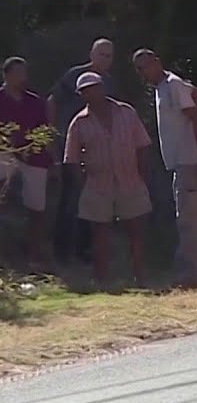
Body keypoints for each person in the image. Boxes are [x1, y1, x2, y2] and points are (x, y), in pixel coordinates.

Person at [133, 49, 197, 287]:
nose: (143, 72)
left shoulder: (173, 85)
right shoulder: (165, 87)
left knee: (187, 221)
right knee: (189, 218)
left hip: (189, 160)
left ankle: (187, 275)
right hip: (180, 160)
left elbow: (196, 120)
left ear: (156, 62)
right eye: (139, 69)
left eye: (145, 65)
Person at [63, 72, 153, 286]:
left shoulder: (126, 112)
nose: (91, 93)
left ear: (102, 88)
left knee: (136, 230)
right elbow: (72, 158)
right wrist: (83, 183)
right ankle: (102, 279)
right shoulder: (79, 122)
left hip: (130, 179)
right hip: (97, 183)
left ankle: (140, 276)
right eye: (86, 91)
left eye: (94, 87)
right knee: (100, 234)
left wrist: (142, 174)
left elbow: (142, 146)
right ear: (81, 95)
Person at [49, 38, 117, 265]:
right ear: (92, 54)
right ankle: (61, 251)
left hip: (97, 148)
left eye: (109, 55)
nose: (105, 59)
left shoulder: (108, 83)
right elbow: (53, 101)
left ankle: (85, 250)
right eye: (102, 54)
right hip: (71, 144)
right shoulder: (74, 75)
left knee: (94, 198)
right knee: (70, 197)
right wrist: (52, 134)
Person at [0, 57, 55, 269]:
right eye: (18, 73)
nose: (23, 78)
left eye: (25, 73)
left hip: (34, 155)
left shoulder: (34, 101)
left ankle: (35, 257)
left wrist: (51, 160)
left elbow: (45, 131)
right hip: (5, 153)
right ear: (7, 75)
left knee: (37, 207)